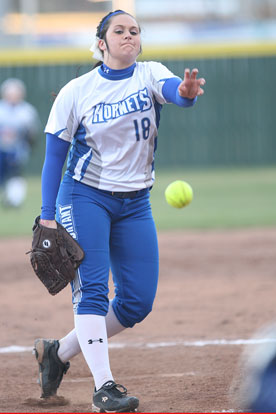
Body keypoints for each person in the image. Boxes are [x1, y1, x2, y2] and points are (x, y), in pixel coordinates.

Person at [33, 9, 205, 412]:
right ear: (102, 42)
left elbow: (176, 93)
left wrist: (187, 92)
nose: (129, 36)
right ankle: (103, 388)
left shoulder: (149, 74)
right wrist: (46, 215)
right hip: (83, 196)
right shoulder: (78, 90)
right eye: (119, 30)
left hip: (135, 203)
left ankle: (56, 355)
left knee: (136, 303)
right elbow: (53, 159)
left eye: (135, 31)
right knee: (92, 291)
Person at [0, 78, 40, 207]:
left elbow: (32, 134)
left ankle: (14, 200)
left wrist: (27, 147)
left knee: (15, 174)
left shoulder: (26, 111)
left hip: (17, 150)